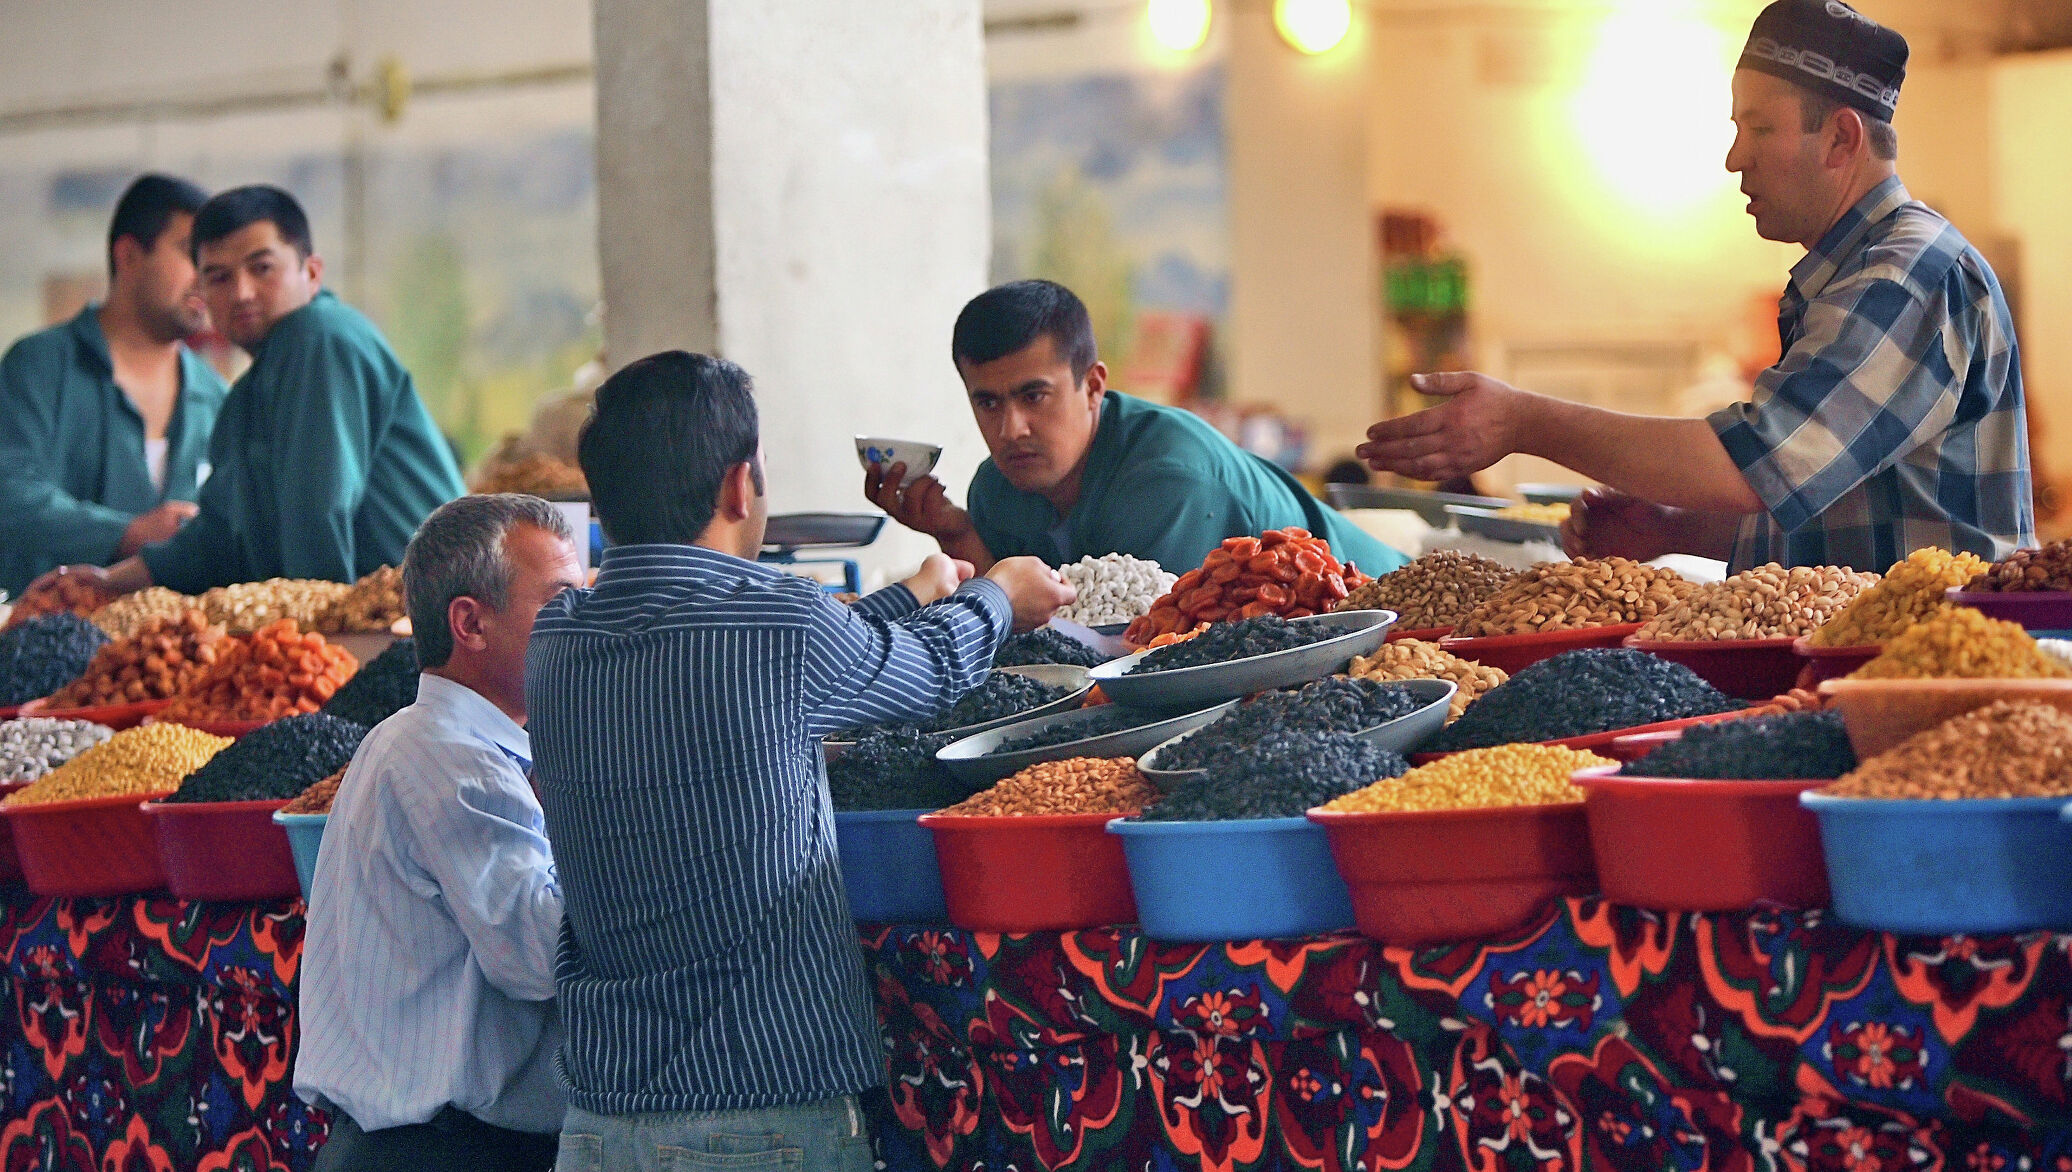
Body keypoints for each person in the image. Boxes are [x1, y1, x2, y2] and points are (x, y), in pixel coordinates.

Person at [526, 351, 1075, 1171]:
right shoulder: (775, 626)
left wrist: (919, 592)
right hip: (761, 1120)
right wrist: (996, 596)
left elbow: (819, 653)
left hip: (602, 1125)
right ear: (738, 486)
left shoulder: (558, 637)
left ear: (599, 500)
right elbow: (921, 674)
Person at [1358, 0, 2031, 575]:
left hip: (1931, 688)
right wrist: (1677, 532)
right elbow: (1836, 505)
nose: (1735, 157)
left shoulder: (1907, 276)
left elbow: (1749, 464)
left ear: (1840, 139)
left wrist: (1524, 419)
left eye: (1759, 128)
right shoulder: (1856, 277)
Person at [297, 493, 582, 1171]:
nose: (584, 624)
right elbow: (540, 954)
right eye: (562, 601)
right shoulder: (451, 757)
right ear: (470, 624)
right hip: (435, 1151)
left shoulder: (437, 742)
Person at [37, 184, 465, 598]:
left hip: (422, 629)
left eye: (261, 268)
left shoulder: (319, 337)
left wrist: (310, 651)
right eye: (218, 278)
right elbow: (220, 531)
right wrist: (112, 580)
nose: (241, 293)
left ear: (312, 273)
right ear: (202, 293)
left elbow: (317, 515)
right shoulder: (247, 393)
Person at [866, 279, 1408, 577]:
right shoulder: (997, 492)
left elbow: (1139, 654)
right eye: (987, 402)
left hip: (1397, 623)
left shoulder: (1167, 475)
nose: (1011, 429)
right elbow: (1027, 627)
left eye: (1035, 395)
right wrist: (957, 533)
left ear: (1094, 386)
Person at [0, 174, 226, 596]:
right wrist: (129, 532)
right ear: (128, 255)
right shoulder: (40, 367)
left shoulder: (215, 398)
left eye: (212, 262)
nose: (206, 276)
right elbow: (8, 496)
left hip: (176, 652)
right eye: (189, 253)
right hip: (46, 641)